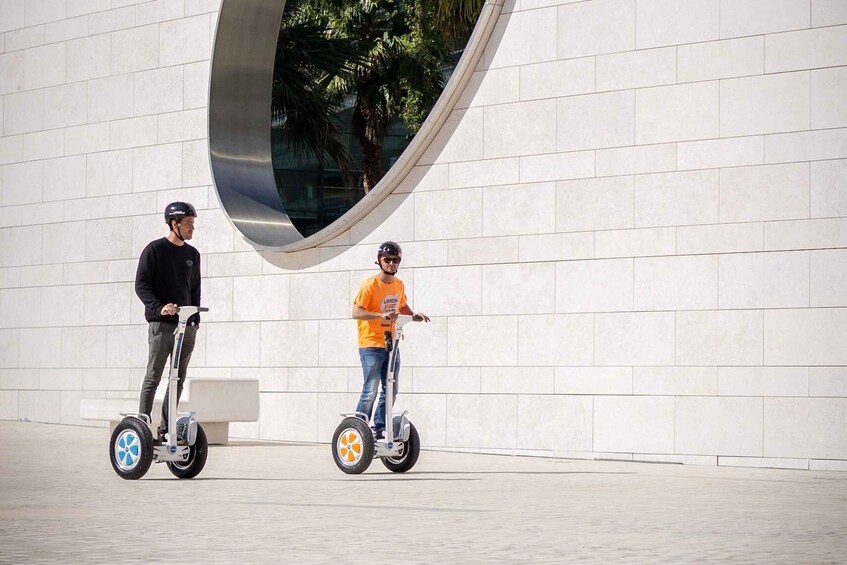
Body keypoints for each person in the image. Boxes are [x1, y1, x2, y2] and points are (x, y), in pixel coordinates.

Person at [135, 202, 201, 442]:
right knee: (154, 376)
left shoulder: (193, 255)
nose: (192, 228)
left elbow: (195, 289)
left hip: (186, 327)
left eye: (193, 224)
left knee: (178, 378)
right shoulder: (154, 250)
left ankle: (166, 430)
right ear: (174, 224)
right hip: (161, 325)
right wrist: (159, 307)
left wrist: (195, 318)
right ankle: (142, 426)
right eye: (187, 224)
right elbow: (141, 285)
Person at [352, 241, 430, 439]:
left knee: (392, 387)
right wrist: (381, 316)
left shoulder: (398, 285)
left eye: (396, 260)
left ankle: (379, 427)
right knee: (371, 387)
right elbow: (356, 312)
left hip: (391, 344)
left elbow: (402, 306)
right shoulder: (370, 285)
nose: (392, 264)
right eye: (388, 260)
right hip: (371, 343)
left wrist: (414, 315)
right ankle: (360, 428)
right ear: (379, 261)